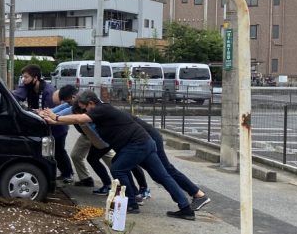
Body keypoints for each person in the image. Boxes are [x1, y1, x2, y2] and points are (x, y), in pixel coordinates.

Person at [40, 92, 196, 219]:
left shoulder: (102, 109)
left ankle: (132, 203)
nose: (84, 111)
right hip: (143, 143)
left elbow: (79, 118)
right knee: (162, 176)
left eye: (85, 108)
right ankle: (185, 208)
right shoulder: (101, 111)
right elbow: (77, 120)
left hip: (137, 144)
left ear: (92, 103)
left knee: (118, 168)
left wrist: (57, 117)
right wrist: (54, 122)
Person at [133, 116, 210, 211]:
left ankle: (198, 194)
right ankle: (194, 195)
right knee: (158, 173)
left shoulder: (111, 113)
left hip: (150, 137)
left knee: (166, 170)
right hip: (145, 137)